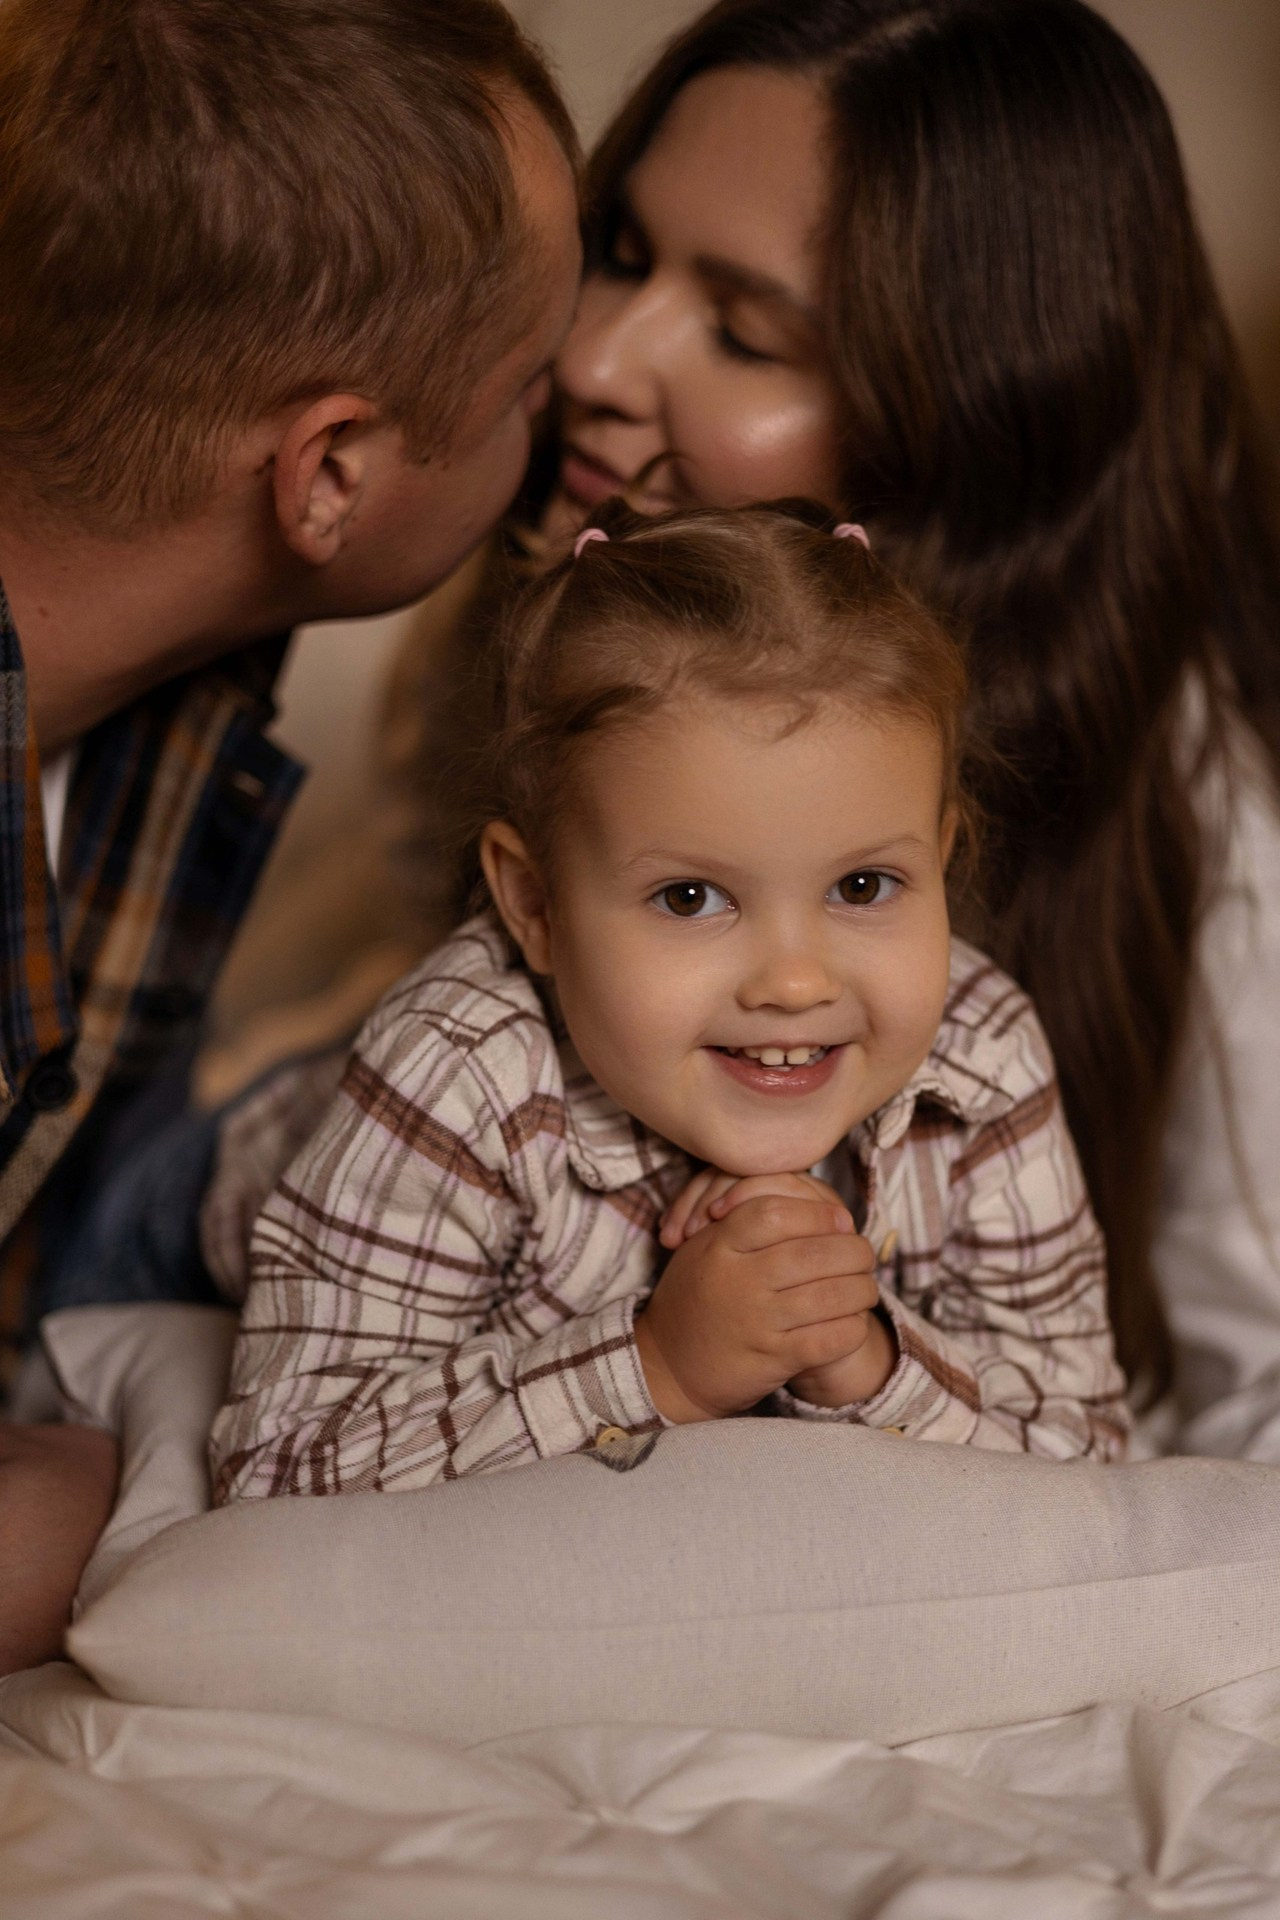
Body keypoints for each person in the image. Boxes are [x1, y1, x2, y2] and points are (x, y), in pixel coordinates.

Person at [368, 0, 1280, 1455]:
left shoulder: (1198, 834)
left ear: (961, 426)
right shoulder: (559, 616)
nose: (596, 358)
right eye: (618, 254)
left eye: (742, 332)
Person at [0, 0, 582, 1675]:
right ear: (329, 470)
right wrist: (143, 1506)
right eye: (525, 381)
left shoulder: (162, 688)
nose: (574, 407)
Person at [210, 503, 1129, 1502]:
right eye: (689, 898)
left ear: (940, 862)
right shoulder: (461, 1065)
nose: (794, 982)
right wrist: (661, 1365)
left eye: (861, 888)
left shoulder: (982, 1057)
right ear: (535, 904)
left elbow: (1087, 1458)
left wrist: (860, 1356)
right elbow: (275, 1471)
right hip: (226, 1170)